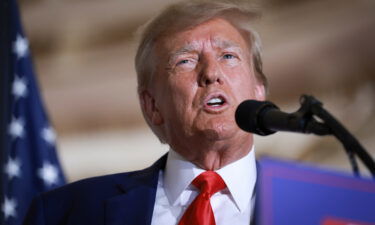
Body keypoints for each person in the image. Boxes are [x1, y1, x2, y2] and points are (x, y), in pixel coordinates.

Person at [23, 1, 267, 225]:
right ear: (152, 106)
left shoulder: (301, 199)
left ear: (259, 91)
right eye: (186, 61)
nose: (212, 73)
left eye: (228, 56)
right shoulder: (65, 212)